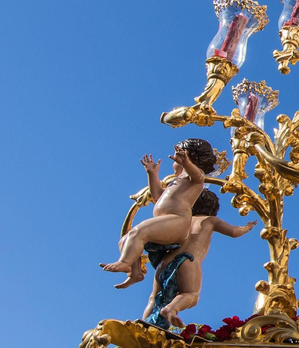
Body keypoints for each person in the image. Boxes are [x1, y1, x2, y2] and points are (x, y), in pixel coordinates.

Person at [101, 139, 217, 288]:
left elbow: (199, 177)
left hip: (178, 221)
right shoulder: (176, 181)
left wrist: (187, 163)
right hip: (166, 220)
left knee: (139, 232)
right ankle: (135, 273)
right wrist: (152, 174)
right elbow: (157, 196)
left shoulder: (193, 177)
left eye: (179, 155)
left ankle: (124, 262)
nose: (174, 159)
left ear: (189, 157)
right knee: (126, 239)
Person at [141, 189, 256, 329]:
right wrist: (247, 227)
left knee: (153, 297)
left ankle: (143, 327)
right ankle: (171, 309)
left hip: (164, 262)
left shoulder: (183, 221)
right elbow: (234, 232)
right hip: (188, 261)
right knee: (191, 294)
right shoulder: (210, 220)